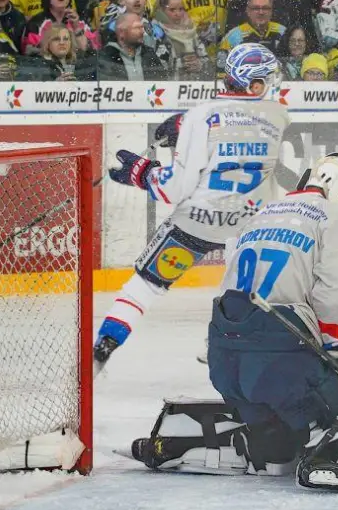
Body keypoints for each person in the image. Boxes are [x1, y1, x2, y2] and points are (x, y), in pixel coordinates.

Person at [128, 153, 338, 491]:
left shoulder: (260, 214)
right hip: (284, 364)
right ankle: (318, 434)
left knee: (276, 449)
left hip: (226, 364)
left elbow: (230, 288)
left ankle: (263, 440)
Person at [95, 44, 288, 364]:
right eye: (270, 79)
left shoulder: (203, 118)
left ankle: (105, 344)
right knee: (241, 289)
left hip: (194, 224)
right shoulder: (274, 120)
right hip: (244, 225)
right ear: (255, 86)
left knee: (145, 285)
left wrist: (141, 173)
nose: (275, 85)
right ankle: (224, 343)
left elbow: (172, 189)